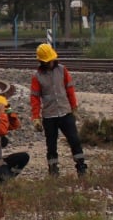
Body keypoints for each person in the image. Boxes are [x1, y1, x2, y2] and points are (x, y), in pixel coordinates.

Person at [30, 43, 87, 176]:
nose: (51, 62)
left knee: (74, 141)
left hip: (65, 113)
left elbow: (70, 89)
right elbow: (35, 99)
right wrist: (36, 117)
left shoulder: (62, 70)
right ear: (42, 61)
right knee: (51, 145)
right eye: (48, 61)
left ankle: (81, 168)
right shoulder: (37, 76)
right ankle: (53, 170)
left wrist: (74, 107)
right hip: (49, 116)